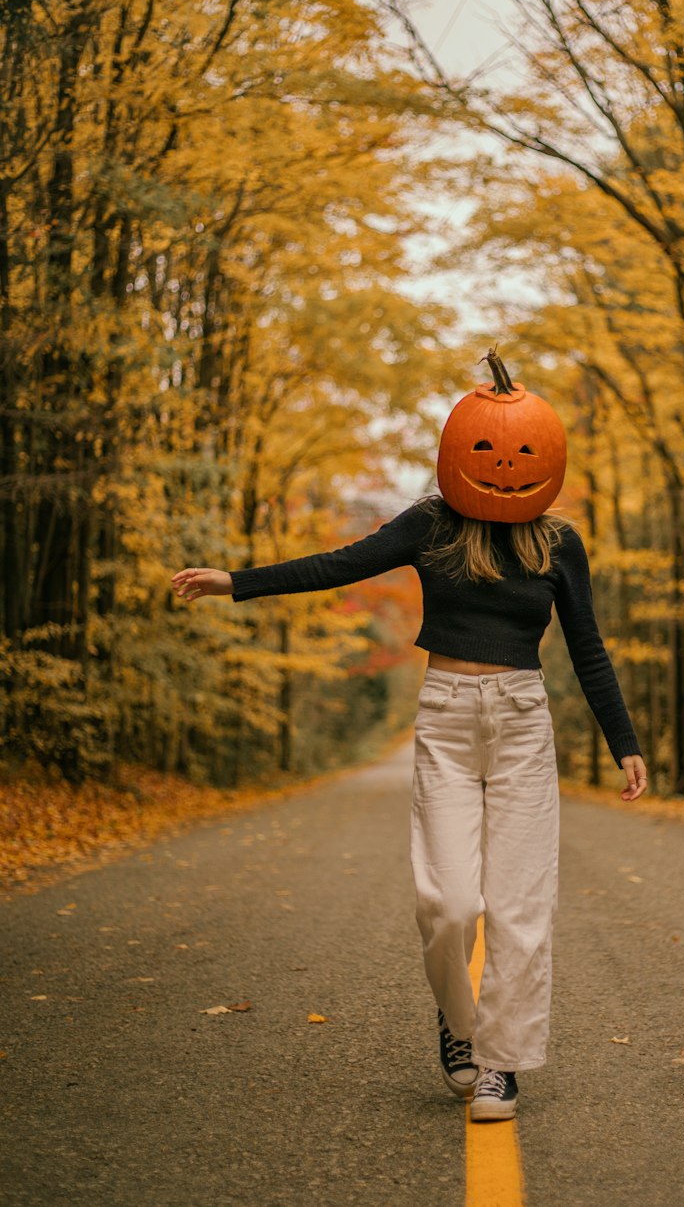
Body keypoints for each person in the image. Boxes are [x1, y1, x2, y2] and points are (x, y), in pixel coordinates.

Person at [170, 350, 647, 1122]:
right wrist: (237, 581)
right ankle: (459, 1026)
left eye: (521, 453)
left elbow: (587, 645)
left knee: (520, 907)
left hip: (523, 722)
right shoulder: (431, 523)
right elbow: (340, 564)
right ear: (462, 451)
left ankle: (498, 1064)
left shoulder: (558, 542)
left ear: (545, 458)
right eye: (489, 451)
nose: (504, 464)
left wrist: (624, 739)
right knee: (450, 902)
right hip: (449, 718)